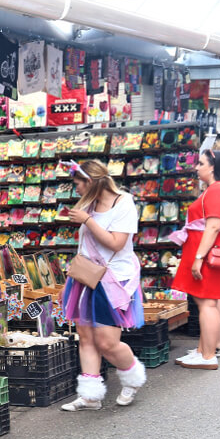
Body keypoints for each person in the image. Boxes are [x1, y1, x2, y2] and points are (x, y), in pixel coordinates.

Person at [60, 159, 147, 411]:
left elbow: (116, 243)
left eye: (77, 183)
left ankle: (133, 378)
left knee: (107, 342)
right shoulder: (89, 204)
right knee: (85, 337)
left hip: (114, 280)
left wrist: (88, 220)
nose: (75, 189)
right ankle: (90, 396)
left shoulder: (124, 203)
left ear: (90, 182)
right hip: (87, 277)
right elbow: (85, 245)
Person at [170, 149, 220, 369]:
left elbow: (213, 226)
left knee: (207, 304)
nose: (197, 167)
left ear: (212, 167)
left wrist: (199, 257)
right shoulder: (214, 189)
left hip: (206, 254)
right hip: (204, 251)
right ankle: (204, 351)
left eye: (201, 163)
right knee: (205, 303)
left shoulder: (216, 190)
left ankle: (208, 355)